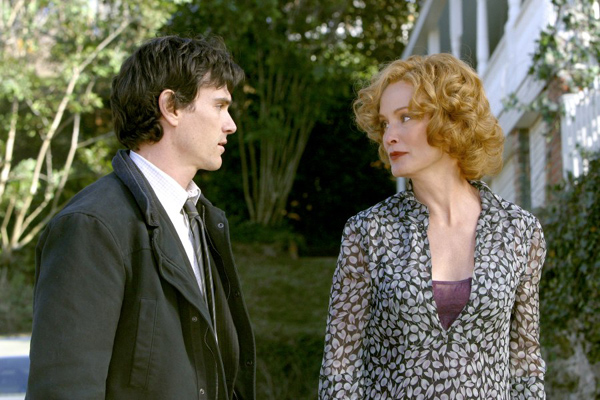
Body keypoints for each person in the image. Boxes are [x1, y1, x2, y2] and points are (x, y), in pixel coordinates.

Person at [27, 35, 255, 400]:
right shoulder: (91, 226)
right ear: (171, 107)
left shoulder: (201, 219)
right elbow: (64, 389)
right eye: (219, 106)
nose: (230, 125)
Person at [318, 53, 546, 399]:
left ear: (450, 120)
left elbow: (526, 364)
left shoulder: (519, 231)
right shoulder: (369, 231)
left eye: (405, 117)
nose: (390, 136)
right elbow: (339, 367)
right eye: (385, 123)